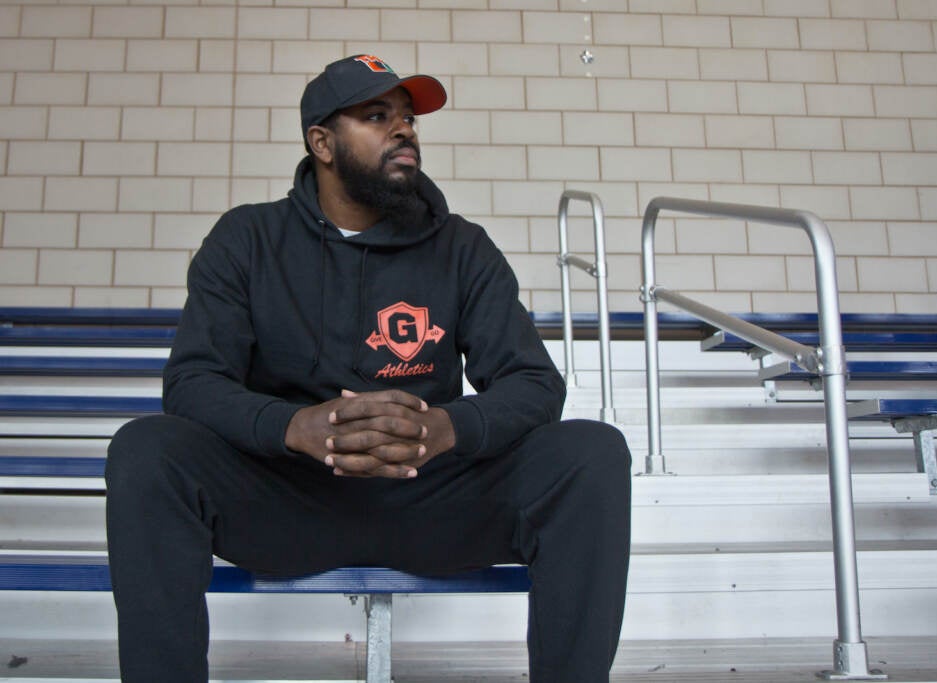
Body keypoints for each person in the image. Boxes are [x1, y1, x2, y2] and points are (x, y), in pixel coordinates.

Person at [104, 54, 631, 683]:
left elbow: (534, 384)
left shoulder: (463, 248)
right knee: (146, 450)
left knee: (592, 452)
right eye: (377, 116)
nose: (404, 130)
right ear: (321, 143)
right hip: (288, 498)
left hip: (431, 498)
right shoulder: (247, 239)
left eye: (407, 118)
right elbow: (191, 383)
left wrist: (446, 427)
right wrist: (294, 426)